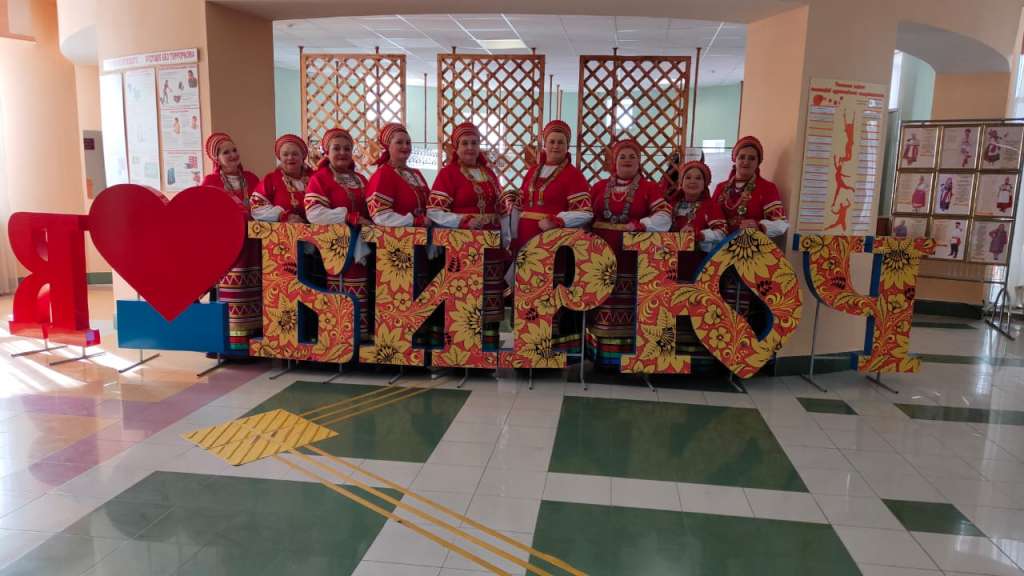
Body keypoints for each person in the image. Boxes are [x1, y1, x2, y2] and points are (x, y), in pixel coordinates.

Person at [508, 120, 593, 354]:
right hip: (526, 242)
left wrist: (558, 221)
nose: (556, 146)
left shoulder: (573, 175)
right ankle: (527, 348)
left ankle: (551, 351)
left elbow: (585, 212)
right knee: (527, 290)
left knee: (550, 291)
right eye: (552, 141)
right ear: (544, 144)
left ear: (568, 146)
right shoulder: (532, 172)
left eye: (561, 142)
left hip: (553, 246)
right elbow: (522, 204)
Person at [587, 139, 671, 369]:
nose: (627, 160)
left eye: (632, 156)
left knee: (630, 304)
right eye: (622, 156)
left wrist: (642, 225)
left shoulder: (649, 188)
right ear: (614, 162)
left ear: (639, 161)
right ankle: (600, 357)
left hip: (632, 258)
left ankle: (627, 357)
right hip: (600, 256)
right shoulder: (599, 187)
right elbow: (585, 215)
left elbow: (664, 217)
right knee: (601, 302)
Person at [428, 122, 508, 351]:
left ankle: (486, 349)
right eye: (465, 143)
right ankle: (459, 351)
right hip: (462, 246)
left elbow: (500, 207)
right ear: (456, 147)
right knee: (463, 295)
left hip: (491, 248)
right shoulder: (448, 174)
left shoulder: (489, 173)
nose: (470, 148)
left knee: (488, 294)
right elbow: (434, 211)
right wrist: (462, 221)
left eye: (474, 143)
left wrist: (507, 233)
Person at [366, 123, 440, 347]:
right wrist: (413, 221)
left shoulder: (415, 174)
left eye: (408, 142)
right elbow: (380, 215)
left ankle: (418, 341)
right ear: (387, 146)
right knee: (400, 294)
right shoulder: (383, 174)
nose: (405, 146)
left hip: (419, 246)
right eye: (399, 142)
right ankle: (398, 345)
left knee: (421, 290)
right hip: (395, 250)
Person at [711, 136, 788, 334]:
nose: (746, 161)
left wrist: (759, 225)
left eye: (752, 158)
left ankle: (745, 342)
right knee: (720, 300)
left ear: (758, 162)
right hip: (721, 254)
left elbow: (781, 224)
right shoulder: (721, 188)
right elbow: (710, 217)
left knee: (747, 302)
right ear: (734, 159)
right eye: (742, 157)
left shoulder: (767, 188)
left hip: (751, 256)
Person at [305, 127, 374, 342]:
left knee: (366, 287)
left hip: (364, 243)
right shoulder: (320, 178)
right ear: (326, 151)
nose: (342, 153)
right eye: (337, 148)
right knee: (341, 290)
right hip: (335, 248)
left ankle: (362, 336)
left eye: (347, 148)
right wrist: (347, 216)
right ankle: (342, 338)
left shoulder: (360, 179)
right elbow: (313, 213)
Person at [200, 132, 262, 357]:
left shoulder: (252, 179)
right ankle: (226, 348)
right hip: (227, 249)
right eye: (226, 152)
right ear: (216, 158)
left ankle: (253, 346)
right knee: (226, 296)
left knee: (253, 291)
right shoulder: (211, 182)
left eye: (234, 150)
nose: (233, 155)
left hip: (253, 246)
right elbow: (205, 214)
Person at [663, 157, 724, 374]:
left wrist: (700, 235)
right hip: (670, 267)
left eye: (698, 178)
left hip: (697, 267)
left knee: (694, 308)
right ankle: (667, 357)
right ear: (681, 182)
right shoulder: (670, 205)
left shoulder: (711, 206)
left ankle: (695, 361)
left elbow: (721, 233)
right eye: (688, 177)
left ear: (705, 183)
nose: (692, 181)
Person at [251, 134, 312, 223]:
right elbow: (256, 207)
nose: (290, 157)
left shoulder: (315, 178)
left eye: (295, 154)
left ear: (303, 156)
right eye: (285, 154)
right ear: (280, 157)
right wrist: (282, 215)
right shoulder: (271, 180)